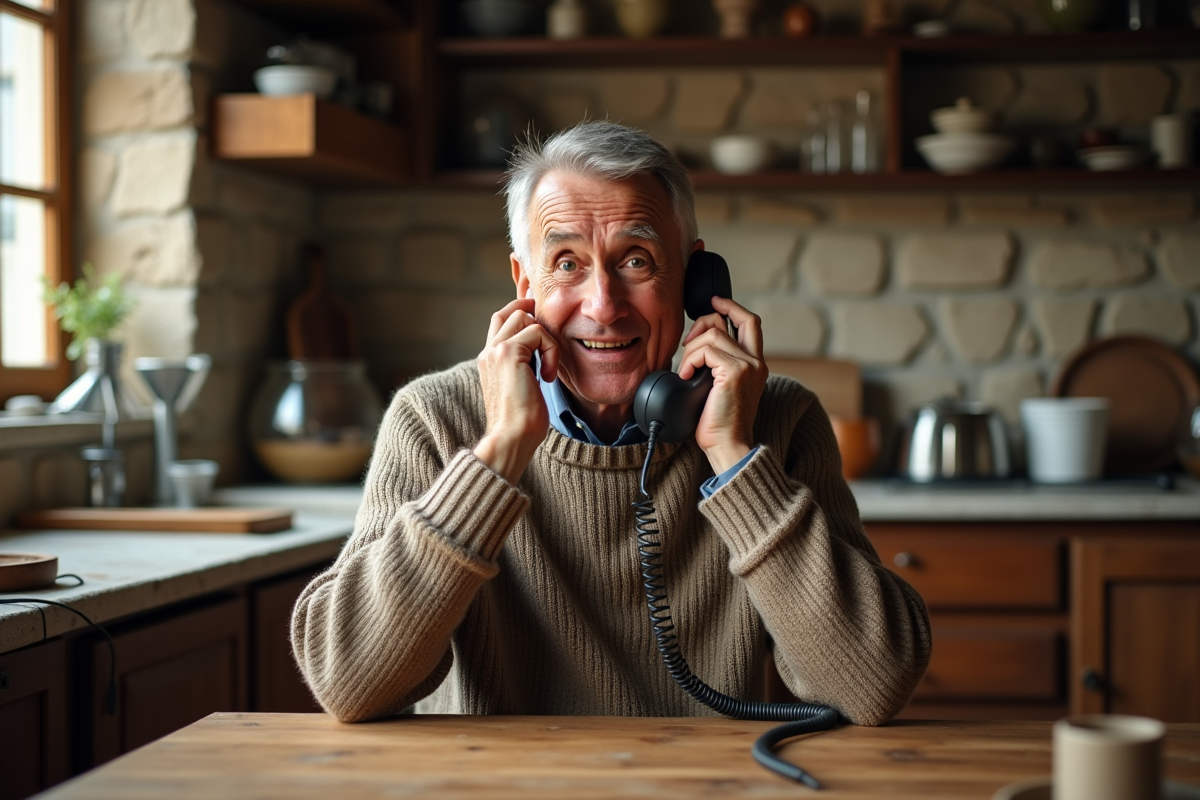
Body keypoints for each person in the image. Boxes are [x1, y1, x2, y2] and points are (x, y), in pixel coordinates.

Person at [291, 121, 931, 726]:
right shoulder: (434, 418)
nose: (603, 306)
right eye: (566, 262)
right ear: (525, 283)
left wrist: (733, 456)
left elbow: (872, 687)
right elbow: (348, 683)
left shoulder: (779, 420)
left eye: (636, 261)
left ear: (694, 281)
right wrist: (501, 450)